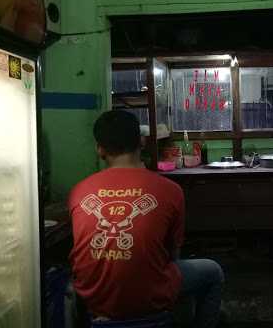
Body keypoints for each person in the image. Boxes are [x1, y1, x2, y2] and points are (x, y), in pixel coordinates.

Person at [69, 110, 224, 328]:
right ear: (141, 142)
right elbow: (172, 255)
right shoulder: (170, 190)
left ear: (100, 149)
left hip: (94, 302)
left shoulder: (79, 191)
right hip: (150, 298)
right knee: (213, 272)